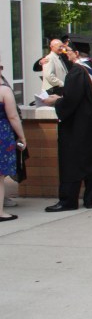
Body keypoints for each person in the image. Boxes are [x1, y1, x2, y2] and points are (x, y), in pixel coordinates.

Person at [40, 36, 92, 212]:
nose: (66, 53)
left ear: (76, 53)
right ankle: (90, 198)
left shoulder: (77, 71)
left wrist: (56, 101)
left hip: (77, 126)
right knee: (89, 160)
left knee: (71, 162)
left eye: (68, 50)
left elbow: (71, 100)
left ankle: (68, 201)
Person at [0, 60, 28, 222]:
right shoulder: (4, 90)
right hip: (2, 133)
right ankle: (0, 212)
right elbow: (13, 116)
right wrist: (22, 136)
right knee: (0, 176)